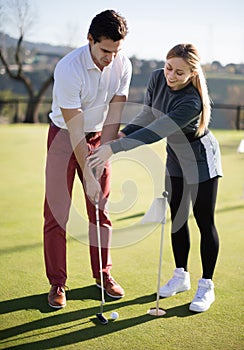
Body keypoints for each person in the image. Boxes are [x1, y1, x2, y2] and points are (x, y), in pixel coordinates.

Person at [88, 43, 223, 313]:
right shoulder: (157, 77)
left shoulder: (191, 102)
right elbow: (148, 113)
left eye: (179, 73)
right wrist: (125, 133)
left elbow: (157, 130)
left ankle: (206, 285)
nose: (170, 75)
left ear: (192, 74)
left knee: (204, 220)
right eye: (169, 67)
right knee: (178, 218)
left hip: (200, 159)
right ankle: (180, 275)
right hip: (175, 157)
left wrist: (113, 147)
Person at [43, 9, 132, 308]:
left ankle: (103, 274)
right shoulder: (69, 68)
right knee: (57, 213)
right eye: (105, 50)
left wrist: (103, 154)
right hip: (64, 136)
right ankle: (58, 282)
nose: (110, 58)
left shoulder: (122, 64)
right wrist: (89, 174)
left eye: (116, 51)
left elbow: (115, 113)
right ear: (90, 39)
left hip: (97, 137)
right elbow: (74, 127)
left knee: (100, 209)